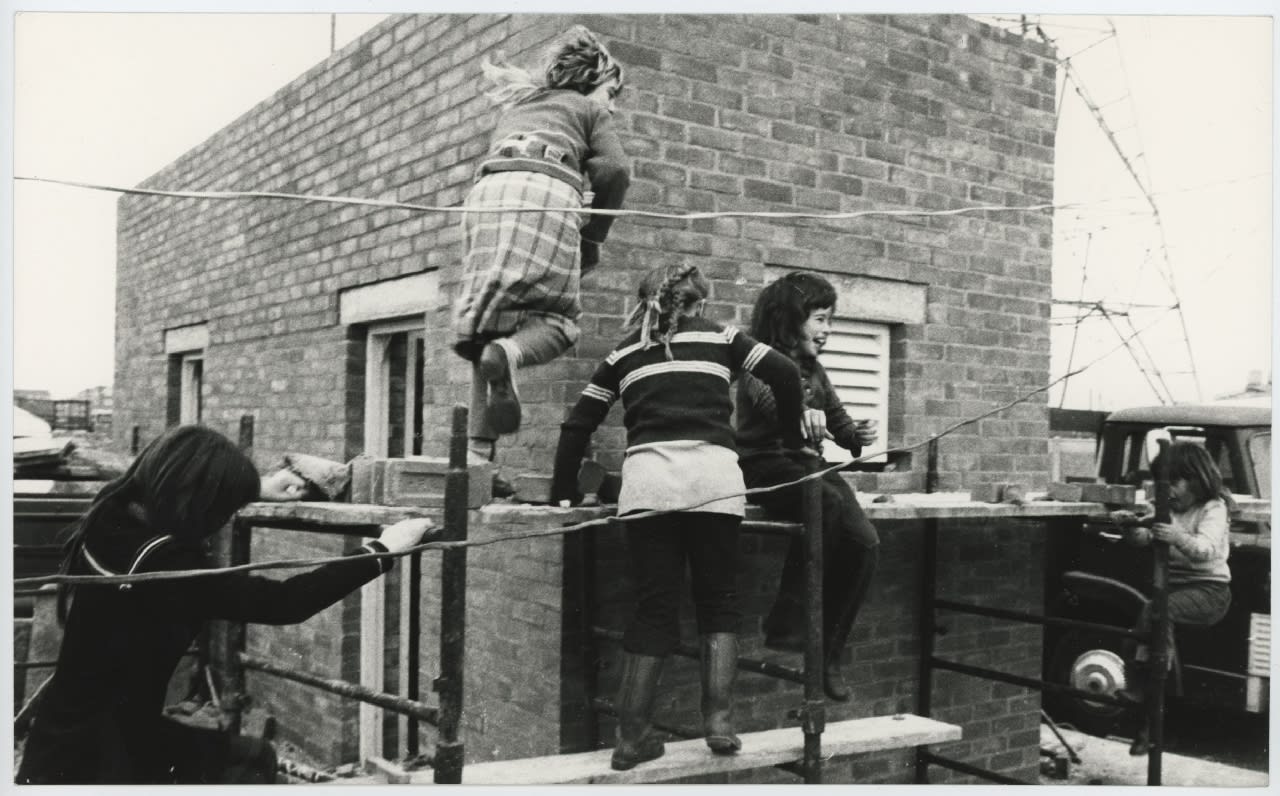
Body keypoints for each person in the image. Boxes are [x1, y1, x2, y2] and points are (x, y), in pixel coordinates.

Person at [16, 425, 434, 784]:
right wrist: (382, 550)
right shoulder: (168, 565)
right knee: (250, 763)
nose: (226, 517)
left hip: (63, 739)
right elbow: (286, 601)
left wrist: (253, 489)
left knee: (245, 759)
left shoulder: (111, 510)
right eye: (225, 507)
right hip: (103, 762)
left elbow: (161, 479)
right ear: (201, 502)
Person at [550, 264, 806, 770]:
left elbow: (578, 423)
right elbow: (787, 373)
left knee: (653, 610)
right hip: (714, 482)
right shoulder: (723, 337)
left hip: (649, 486)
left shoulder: (623, 354)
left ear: (646, 303)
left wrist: (562, 494)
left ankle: (630, 739)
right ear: (699, 303)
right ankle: (719, 722)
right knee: (720, 602)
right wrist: (793, 444)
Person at [452, 25, 631, 468]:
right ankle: (511, 353)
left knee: (486, 333)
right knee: (561, 321)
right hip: (544, 195)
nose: (612, 104)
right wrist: (592, 238)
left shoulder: (522, 105)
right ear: (591, 82)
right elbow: (615, 171)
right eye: (611, 92)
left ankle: (478, 457)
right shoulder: (589, 112)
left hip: (487, 198)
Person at [735, 271, 880, 702]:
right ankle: (788, 624)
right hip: (764, 466)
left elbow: (834, 417)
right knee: (826, 502)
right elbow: (773, 400)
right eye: (819, 319)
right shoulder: (758, 362)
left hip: (806, 466)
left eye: (830, 321)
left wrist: (857, 435)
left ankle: (828, 654)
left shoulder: (815, 369)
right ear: (788, 319)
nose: (827, 330)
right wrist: (799, 412)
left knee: (866, 543)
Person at [1108, 441, 1234, 756]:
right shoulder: (1167, 508)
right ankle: (1146, 721)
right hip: (1174, 591)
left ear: (1197, 478)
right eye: (1162, 484)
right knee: (1135, 639)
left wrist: (1175, 536)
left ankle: (1146, 692)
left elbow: (1205, 551)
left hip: (1210, 591)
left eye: (1173, 483)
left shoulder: (1212, 508)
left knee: (1157, 614)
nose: (1168, 491)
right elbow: (1144, 539)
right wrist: (1129, 527)